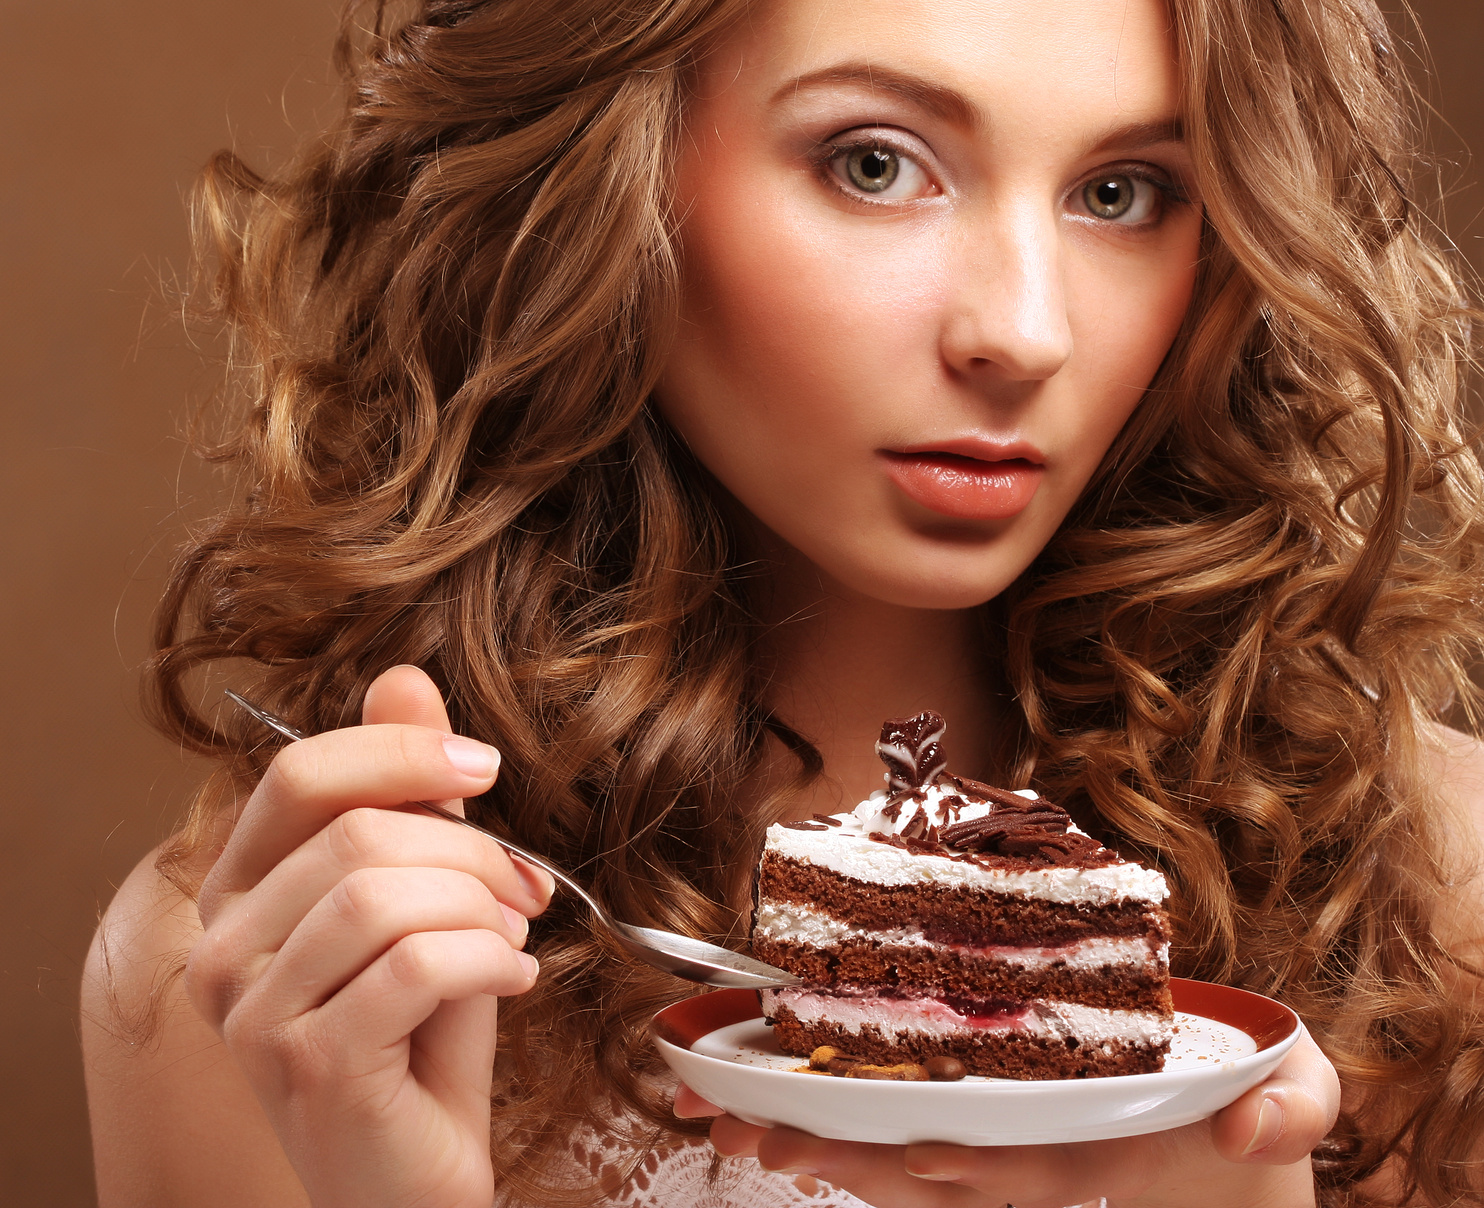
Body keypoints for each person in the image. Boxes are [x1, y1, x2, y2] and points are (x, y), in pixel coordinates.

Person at [79, 0, 1484, 1204]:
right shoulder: (275, 979)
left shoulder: (1441, 892)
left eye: (1121, 193)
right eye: (876, 163)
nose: (1026, 331)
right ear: (598, 177)